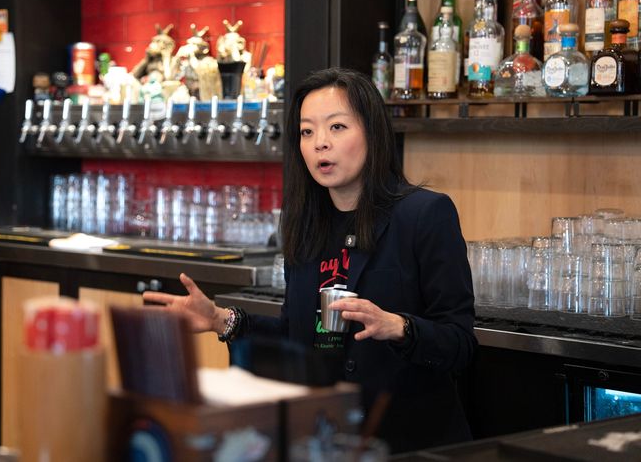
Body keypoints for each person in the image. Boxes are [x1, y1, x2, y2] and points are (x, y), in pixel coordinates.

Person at [143, 67, 477, 454]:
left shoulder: (424, 214)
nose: (320, 143)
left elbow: (460, 344)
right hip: (328, 440)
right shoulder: (304, 225)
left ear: (372, 131)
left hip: (412, 443)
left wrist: (399, 326)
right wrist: (222, 319)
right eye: (307, 131)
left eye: (336, 127)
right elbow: (298, 336)